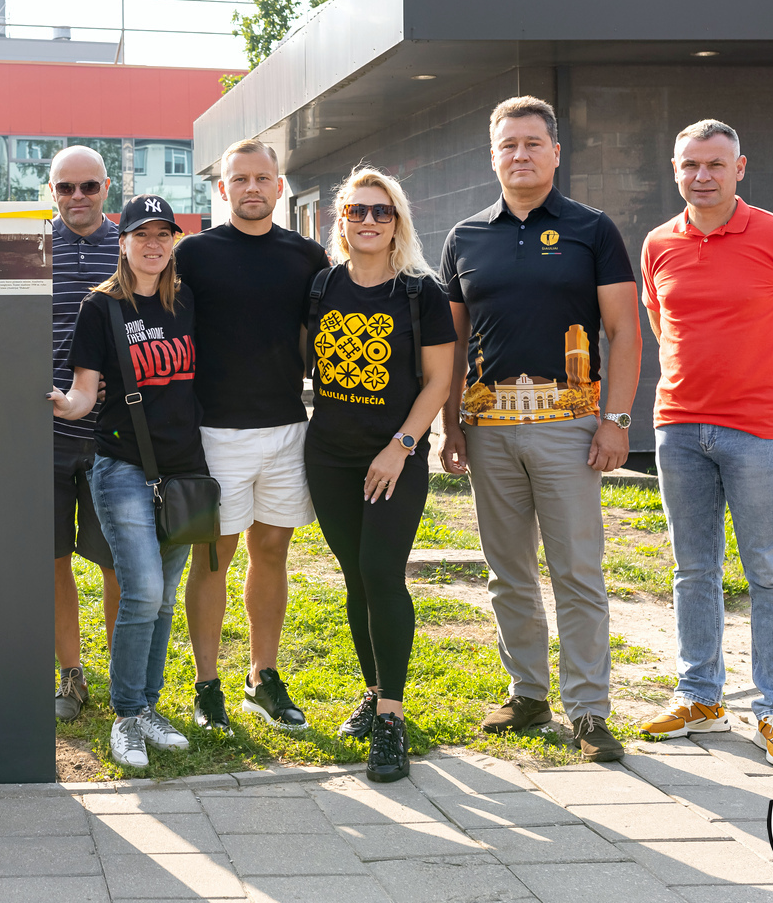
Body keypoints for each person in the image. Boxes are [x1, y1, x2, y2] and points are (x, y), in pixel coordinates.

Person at [439, 96, 641, 763]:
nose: (519, 155)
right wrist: (450, 427)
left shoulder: (592, 229)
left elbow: (623, 331)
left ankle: (587, 710)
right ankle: (527, 694)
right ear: (493, 155)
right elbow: (452, 342)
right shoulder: (465, 236)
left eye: (531, 143)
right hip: (488, 430)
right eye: (508, 145)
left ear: (555, 152)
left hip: (569, 429)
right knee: (508, 573)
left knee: (577, 573)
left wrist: (614, 421)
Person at [637, 120, 773, 768]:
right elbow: (663, 326)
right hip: (678, 428)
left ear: (739, 168)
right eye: (690, 164)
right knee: (692, 570)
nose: (702, 175)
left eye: (715, 164)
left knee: (768, 572)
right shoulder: (658, 243)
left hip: (758, 430)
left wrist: (764, 380)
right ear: (674, 170)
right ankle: (699, 695)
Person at [304, 169, 455, 783]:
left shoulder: (422, 293)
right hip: (330, 456)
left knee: (381, 571)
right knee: (354, 575)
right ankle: (373, 692)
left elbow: (440, 382)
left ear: (398, 222)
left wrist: (400, 445)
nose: (369, 221)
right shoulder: (321, 287)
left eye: (382, 212)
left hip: (396, 456)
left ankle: (390, 716)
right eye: (358, 211)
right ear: (341, 219)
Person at [177, 139, 328, 735]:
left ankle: (262, 677)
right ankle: (206, 682)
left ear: (279, 185)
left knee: (272, 551)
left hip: (287, 426)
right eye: (239, 179)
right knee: (214, 555)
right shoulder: (194, 254)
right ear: (223, 189)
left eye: (262, 178)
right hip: (215, 431)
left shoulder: (307, 255)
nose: (252, 188)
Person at [51, 194, 201, 769]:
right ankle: (125, 716)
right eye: (143, 235)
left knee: (162, 599)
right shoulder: (102, 308)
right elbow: (87, 387)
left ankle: (148, 708)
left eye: (164, 235)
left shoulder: (188, 302)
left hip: (184, 469)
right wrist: (68, 405)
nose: (155, 244)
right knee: (142, 591)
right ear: (124, 241)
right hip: (122, 466)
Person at [47, 146, 123, 723]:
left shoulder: (132, 247)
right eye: (66, 188)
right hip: (40, 429)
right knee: (50, 558)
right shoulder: (24, 247)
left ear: (106, 189)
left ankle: (123, 676)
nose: (78, 198)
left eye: (89, 187)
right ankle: (70, 675)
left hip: (114, 436)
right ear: (52, 191)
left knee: (114, 560)